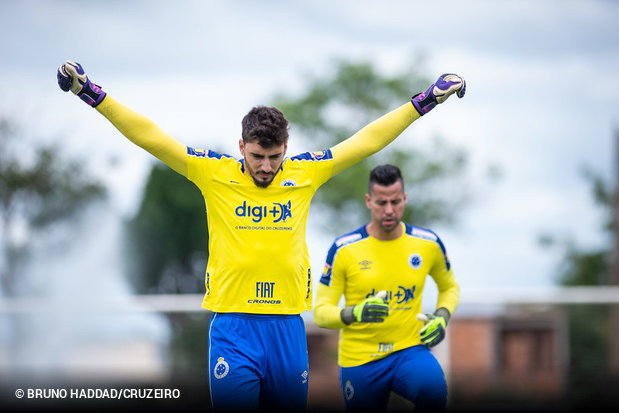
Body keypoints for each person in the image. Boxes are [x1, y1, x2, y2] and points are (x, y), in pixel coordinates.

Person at [56, 61, 465, 411]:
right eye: (257, 157)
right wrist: (90, 92)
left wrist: (425, 100)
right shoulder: (213, 172)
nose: (267, 167)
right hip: (234, 329)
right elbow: (152, 136)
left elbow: (365, 141)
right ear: (241, 147)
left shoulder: (304, 172)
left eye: (275, 156)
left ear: (286, 148)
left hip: (287, 327)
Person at [314, 164, 460, 411]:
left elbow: (450, 288)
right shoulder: (343, 249)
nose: (389, 210)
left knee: (433, 391)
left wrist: (442, 317)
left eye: (395, 201)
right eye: (382, 203)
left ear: (405, 199)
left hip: (409, 350)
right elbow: (320, 312)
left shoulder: (428, 243)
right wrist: (355, 313)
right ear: (368, 201)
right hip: (359, 359)